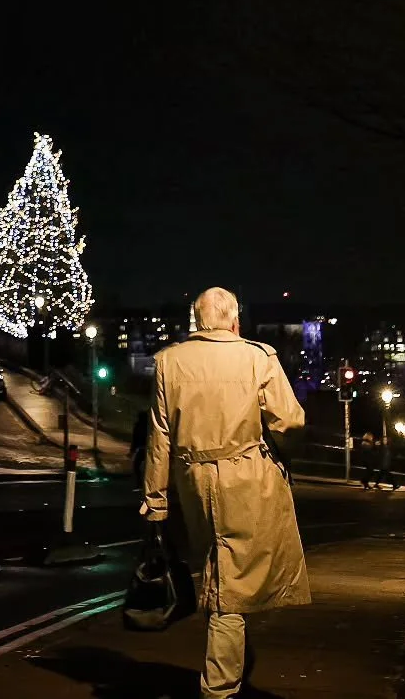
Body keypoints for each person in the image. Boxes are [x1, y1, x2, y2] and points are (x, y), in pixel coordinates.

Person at [141, 286, 309, 699]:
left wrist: (156, 503)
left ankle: (222, 676)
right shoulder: (258, 356)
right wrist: (282, 451)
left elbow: (159, 438)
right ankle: (219, 688)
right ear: (235, 321)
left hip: (194, 480)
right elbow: (289, 421)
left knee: (218, 570)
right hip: (247, 476)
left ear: (197, 322)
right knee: (231, 586)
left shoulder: (168, 362)